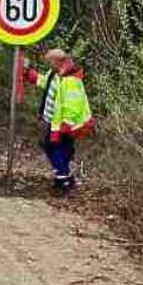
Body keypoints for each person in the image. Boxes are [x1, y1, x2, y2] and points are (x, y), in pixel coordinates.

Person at [23, 49, 94, 195]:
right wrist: (31, 75)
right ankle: (65, 177)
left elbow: (73, 104)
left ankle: (63, 181)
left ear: (59, 61)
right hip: (52, 120)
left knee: (55, 148)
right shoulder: (56, 74)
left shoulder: (71, 80)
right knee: (56, 148)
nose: (49, 65)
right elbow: (46, 83)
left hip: (63, 124)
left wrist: (66, 123)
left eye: (51, 62)